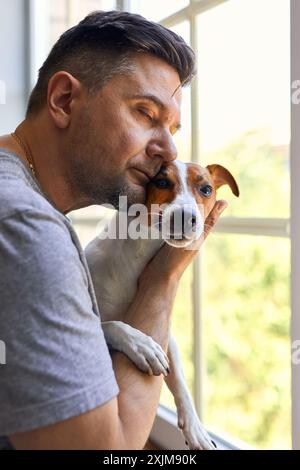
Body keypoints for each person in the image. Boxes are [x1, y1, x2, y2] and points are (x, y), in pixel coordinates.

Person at [0, 10, 227, 450]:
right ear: (64, 100)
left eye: (173, 127)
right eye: (146, 113)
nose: (169, 148)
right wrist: (165, 277)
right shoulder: (28, 228)